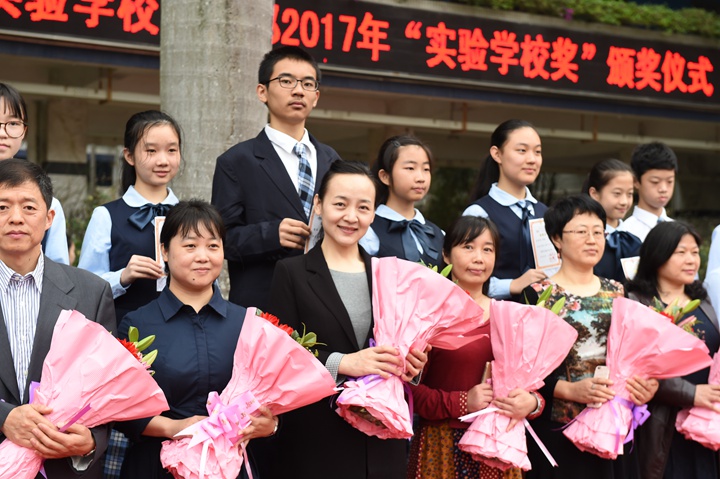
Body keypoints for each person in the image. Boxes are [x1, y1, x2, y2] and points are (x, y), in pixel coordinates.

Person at [267, 160, 428, 479]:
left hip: (383, 444)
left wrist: (413, 367)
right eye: (340, 204)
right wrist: (342, 363)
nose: (351, 217)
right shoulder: (291, 273)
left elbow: (401, 355)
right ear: (318, 204)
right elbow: (279, 357)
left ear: (374, 212)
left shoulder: (390, 276)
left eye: (363, 207)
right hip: (318, 443)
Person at [116, 200, 276, 479]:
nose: (203, 256)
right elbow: (120, 408)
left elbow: (273, 399)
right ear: (165, 251)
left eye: (213, 246)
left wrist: (270, 425)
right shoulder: (137, 325)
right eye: (190, 246)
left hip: (230, 466)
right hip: (158, 466)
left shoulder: (248, 323)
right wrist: (174, 427)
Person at [77, 110, 181, 479]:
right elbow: (82, 287)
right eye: (151, 150)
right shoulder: (107, 215)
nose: (162, 159)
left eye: (171, 150)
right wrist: (123, 276)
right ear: (129, 156)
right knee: (129, 440)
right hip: (125, 349)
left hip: (181, 345)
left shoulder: (190, 215)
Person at [523, 195, 658, 479]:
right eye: (581, 231)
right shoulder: (537, 295)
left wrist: (644, 386)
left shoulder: (619, 292)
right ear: (557, 239)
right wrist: (569, 390)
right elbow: (523, 371)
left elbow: (634, 358)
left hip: (612, 425)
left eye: (598, 232)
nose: (592, 240)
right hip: (558, 428)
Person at [0, 158, 115, 479]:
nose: (16, 218)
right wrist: (4, 417)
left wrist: (91, 441)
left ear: (49, 217)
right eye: (2, 207)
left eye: (29, 207)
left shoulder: (92, 292)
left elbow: (106, 389)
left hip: (60, 467)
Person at [408, 215, 539, 479]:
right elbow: (408, 391)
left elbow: (533, 385)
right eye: (468, 247)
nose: (478, 258)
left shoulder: (511, 317)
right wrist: (463, 402)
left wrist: (532, 403)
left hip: (498, 449)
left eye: (487, 249)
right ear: (446, 255)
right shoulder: (428, 315)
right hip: (441, 447)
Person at [212, 45, 340, 311]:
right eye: (286, 81)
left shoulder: (333, 161)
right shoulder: (236, 162)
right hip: (264, 304)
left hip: (326, 302)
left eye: (307, 84)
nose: (298, 90)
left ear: (316, 97)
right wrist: (270, 234)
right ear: (262, 92)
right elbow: (220, 240)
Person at [627, 221, 720, 479]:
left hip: (704, 421)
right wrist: (691, 393)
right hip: (660, 424)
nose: (691, 260)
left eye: (694, 252)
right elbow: (635, 370)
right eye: (681, 252)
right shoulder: (638, 302)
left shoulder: (702, 301)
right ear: (658, 255)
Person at [463, 119, 547, 302]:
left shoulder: (546, 214)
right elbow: (464, 275)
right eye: (522, 150)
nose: (532, 159)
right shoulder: (479, 213)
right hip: (496, 314)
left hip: (543, 314)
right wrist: (512, 285)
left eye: (537, 152)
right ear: (497, 154)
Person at [0, 82, 69, 264]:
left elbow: (58, 272)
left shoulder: (48, 204)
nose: (3, 133)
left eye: (13, 123)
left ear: (24, 131)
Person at [359, 135, 444, 266]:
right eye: (410, 168)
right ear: (385, 176)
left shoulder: (439, 234)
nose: (421, 178)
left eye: (426, 169)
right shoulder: (367, 230)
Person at [583, 159, 642, 283]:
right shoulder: (584, 240)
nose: (624, 201)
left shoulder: (633, 241)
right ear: (594, 194)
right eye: (617, 194)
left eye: (629, 194)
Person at [617, 142, 677, 242]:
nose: (663, 189)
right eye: (655, 182)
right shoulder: (625, 234)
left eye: (669, 181)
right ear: (636, 181)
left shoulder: (680, 232)